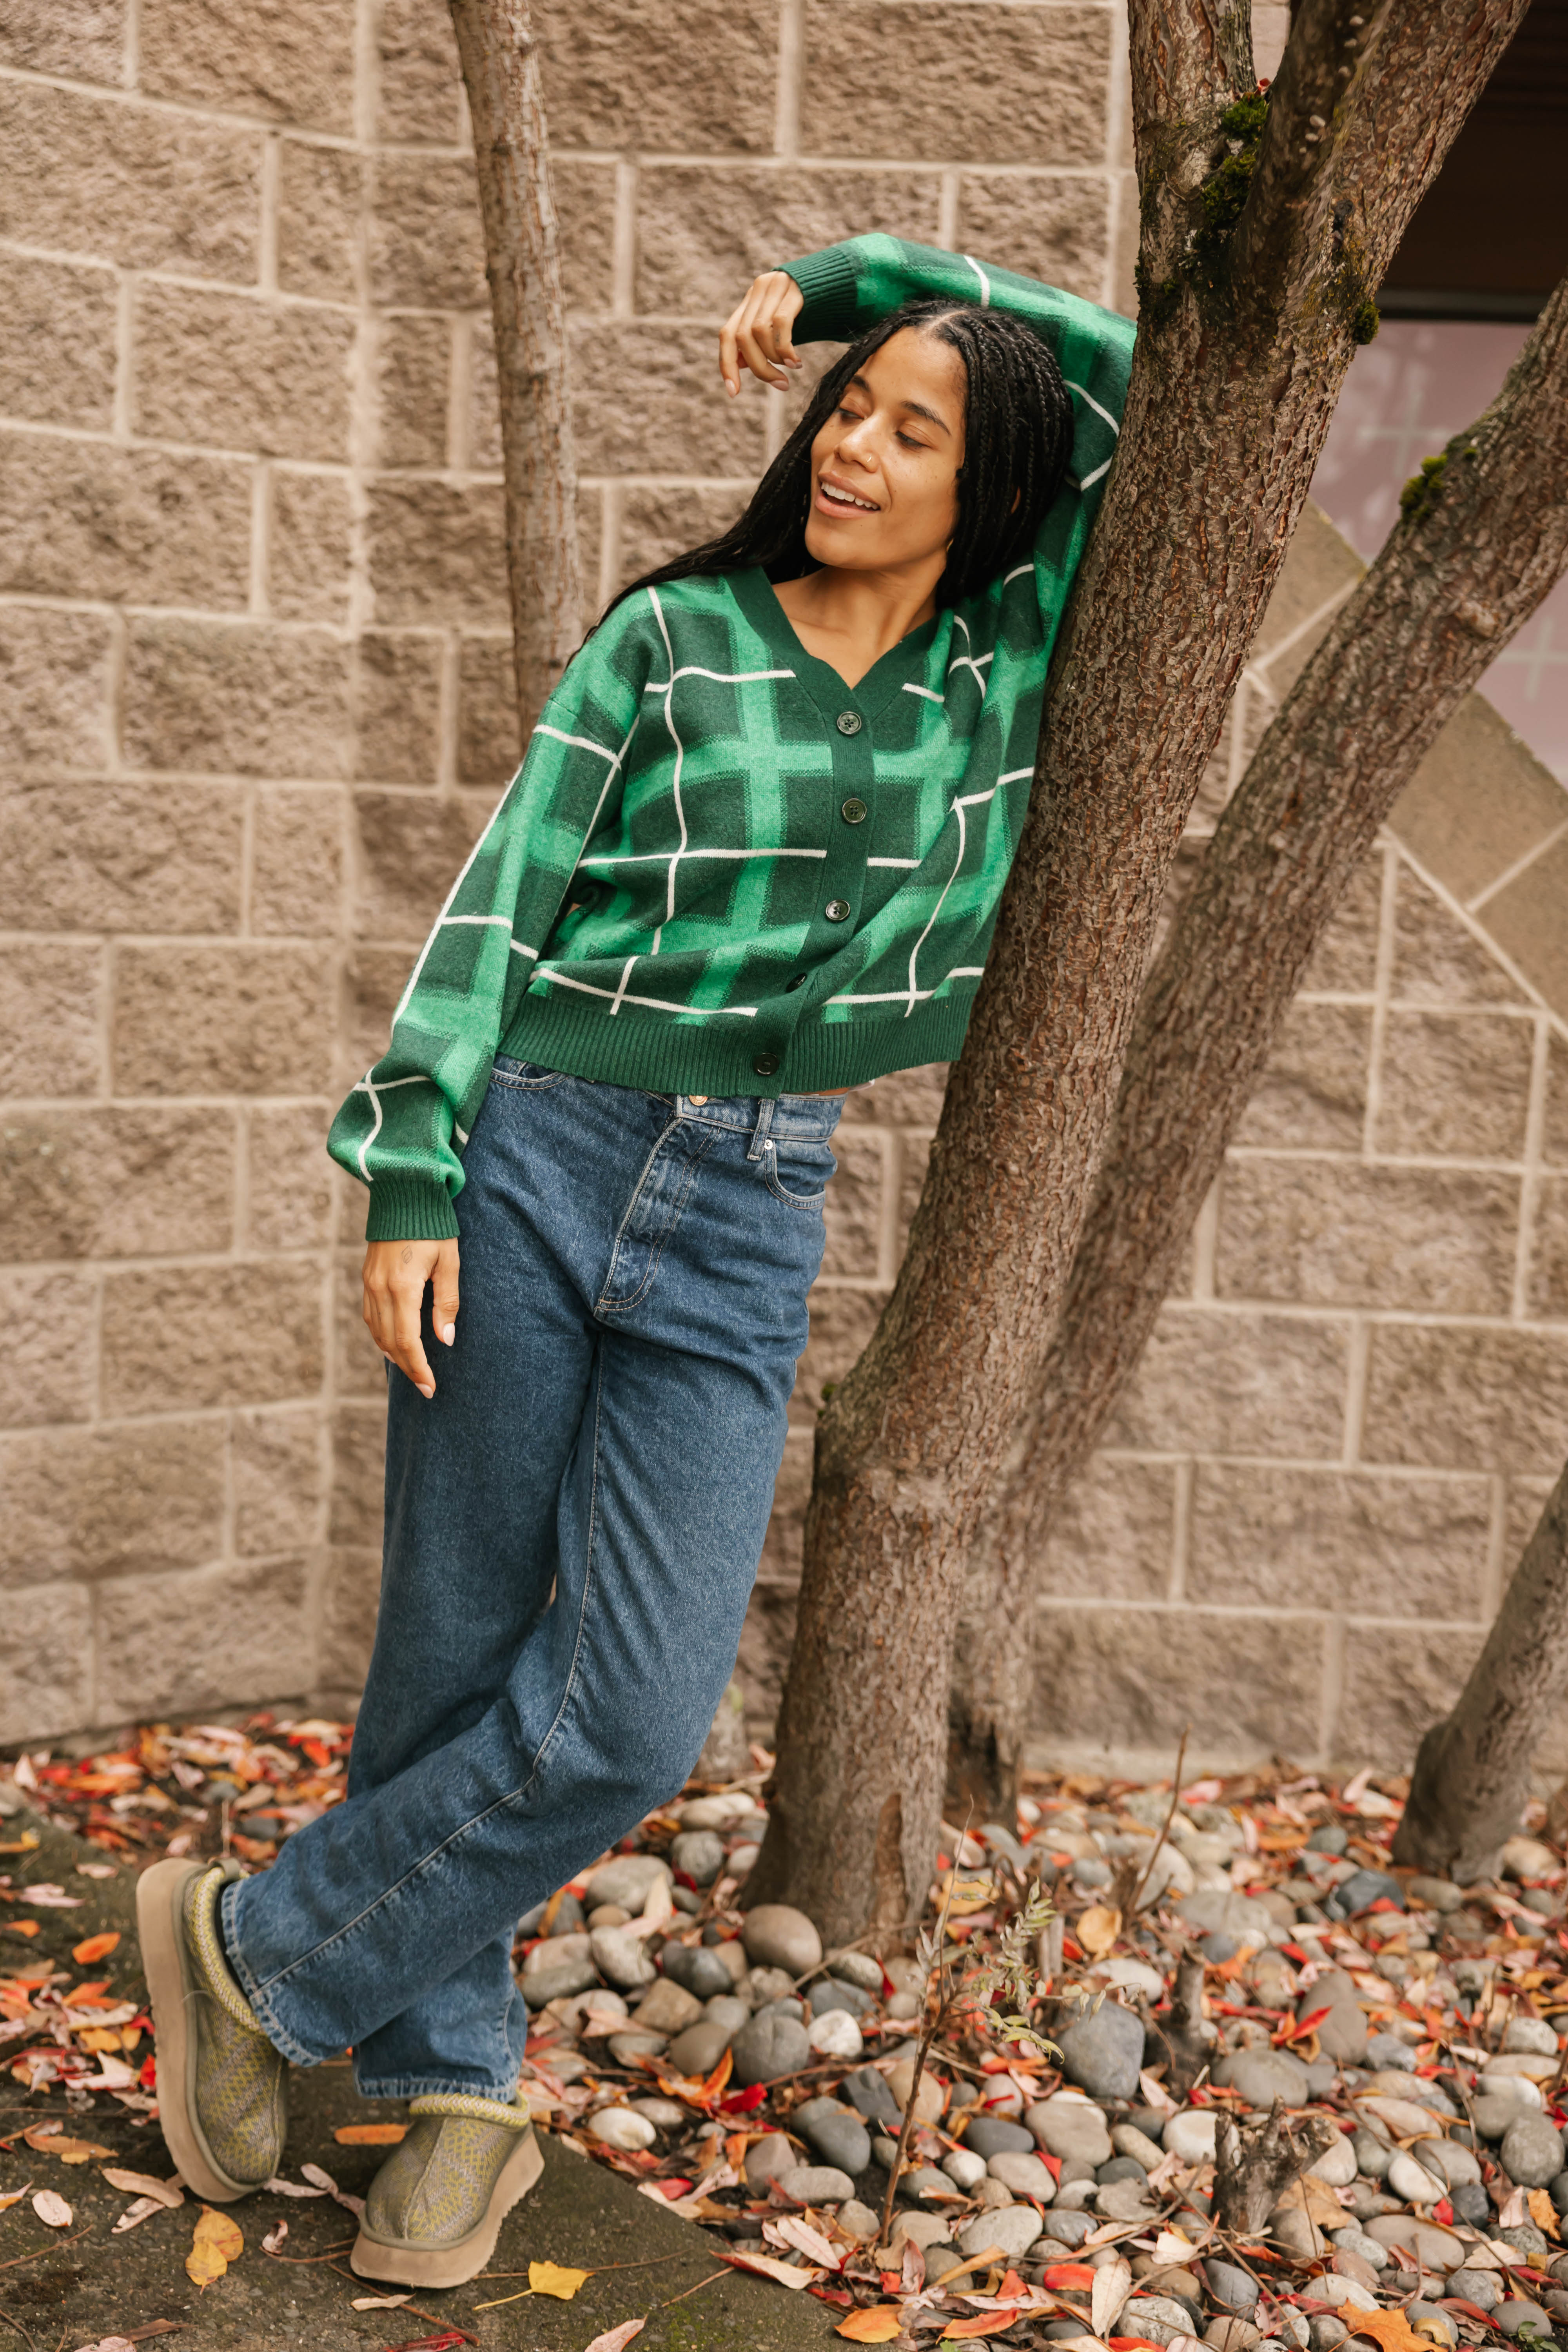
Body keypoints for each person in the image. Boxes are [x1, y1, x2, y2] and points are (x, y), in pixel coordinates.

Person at [134, 236, 1134, 2288]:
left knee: (633, 1712)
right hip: (537, 1148)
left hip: (755, 1199)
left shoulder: (1000, 663)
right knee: (455, 1639)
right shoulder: (675, 638)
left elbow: (1139, 388)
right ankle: (460, 2092)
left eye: (909, 425)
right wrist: (411, 1170)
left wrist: (860, 283)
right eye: (847, 405)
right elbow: (498, 908)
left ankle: (246, 1954)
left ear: (993, 483)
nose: (850, 439)